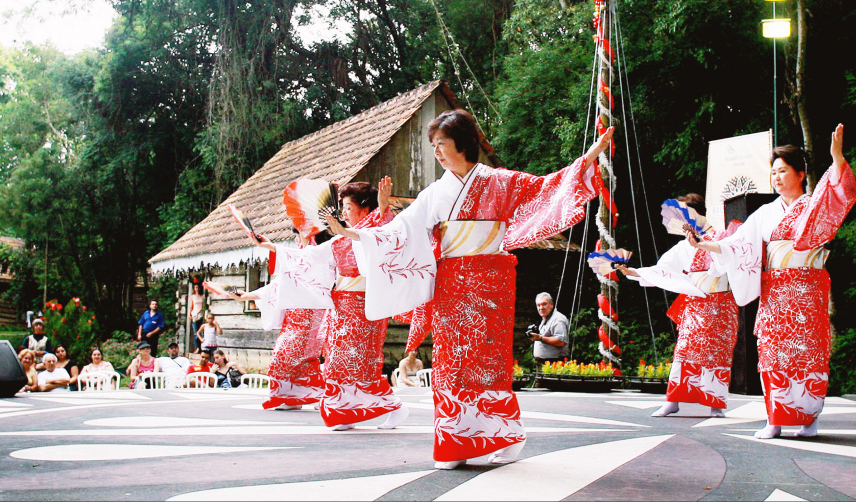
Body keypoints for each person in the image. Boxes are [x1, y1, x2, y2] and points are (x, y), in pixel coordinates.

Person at [334, 108, 610, 469]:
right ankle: (454, 440)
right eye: (433, 145)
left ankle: (506, 434)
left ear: (462, 144)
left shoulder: (499, 181)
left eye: (441, 144)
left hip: (491, 281)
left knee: (487, 361)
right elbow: (400, 230)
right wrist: (355, 234)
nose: (436, 151)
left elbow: (546, 187)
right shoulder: (436, 192)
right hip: (451, 283)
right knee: (451, 360)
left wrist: (588, 157)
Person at [690, 125, 856, 440]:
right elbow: (736, 245)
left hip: (807, 292)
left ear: (801, 173)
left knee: (808, 353)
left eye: (783, 171)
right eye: (773, 172)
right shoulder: (765, 214)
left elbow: (839, 195)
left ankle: (810, 420)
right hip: (776, 294)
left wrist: (836, 158)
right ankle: (775, 420)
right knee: (771, 352)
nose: (776, 177)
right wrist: (704, 245)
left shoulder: (813, 205)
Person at [254, 177, 406, 430]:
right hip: (342, 309)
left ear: (365, 209)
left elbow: (385, 233)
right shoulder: (337, 242)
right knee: (336, 361)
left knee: (360, 363)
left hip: (366, 309)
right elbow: (305, 257)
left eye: (348, 207)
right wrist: (270, 246)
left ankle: (394, 406)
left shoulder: (374, 232)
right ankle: (342, 412)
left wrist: (382, 206)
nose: (344, 212)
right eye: (343, 207)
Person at [616, 193, 739, 418]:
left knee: (717, 355)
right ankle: (673, 400)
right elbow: (662, 269)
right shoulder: (683, 247)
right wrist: (633, 272)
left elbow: (731, 262)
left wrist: (708, 246)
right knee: (683, 353)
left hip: (720, 304)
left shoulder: (720, 238)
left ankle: (716, 404)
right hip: (695, 306)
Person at [234, 270, 327, 410]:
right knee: (281, 357)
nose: (301, 246)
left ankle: (321, 396)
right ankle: (291, 398)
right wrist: (247, 296)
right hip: (292, 318)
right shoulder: (291, 263)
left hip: (313, 315)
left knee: (304, 358)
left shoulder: (319, 257)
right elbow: (274, 288)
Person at [530, 293, 569, 365]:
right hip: (544, 363)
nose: (541, 308)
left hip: (555, 363)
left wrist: (540, 338)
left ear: (551, 305)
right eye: (538, 305)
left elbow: (561, 341)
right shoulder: (546, 318)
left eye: (544, 304)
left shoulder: (558, 319)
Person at [188, 284, 205, 351]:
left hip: (200, 314)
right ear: (194, 289)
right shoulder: (192, 297)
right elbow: (191, 306)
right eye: (195, 287)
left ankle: (202, 346)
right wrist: (190, 314)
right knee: (195, 331)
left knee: (201, 332)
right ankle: (197, 347)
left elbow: (204, 305)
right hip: (195, 314)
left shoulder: (202, 296)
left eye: (198, 287)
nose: (197, 288)